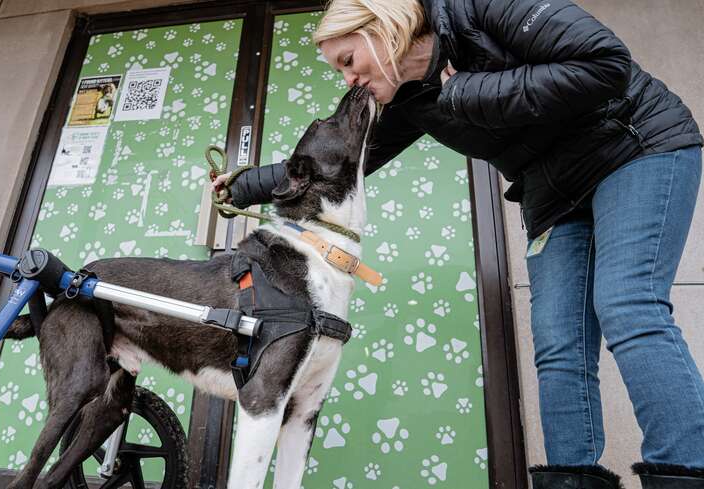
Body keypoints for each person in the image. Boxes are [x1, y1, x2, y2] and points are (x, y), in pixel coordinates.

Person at [213, 1, 704, 487]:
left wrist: (469, 90)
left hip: (635, 145)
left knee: (626, 302)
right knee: (557, 343)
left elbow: (606, 64)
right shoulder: (406, 98)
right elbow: (333, 164)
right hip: (553, 191)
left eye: (347, 61)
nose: (348, 80)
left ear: (381, 28)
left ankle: (685, 474)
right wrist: (241, 185)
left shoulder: (479, 8)